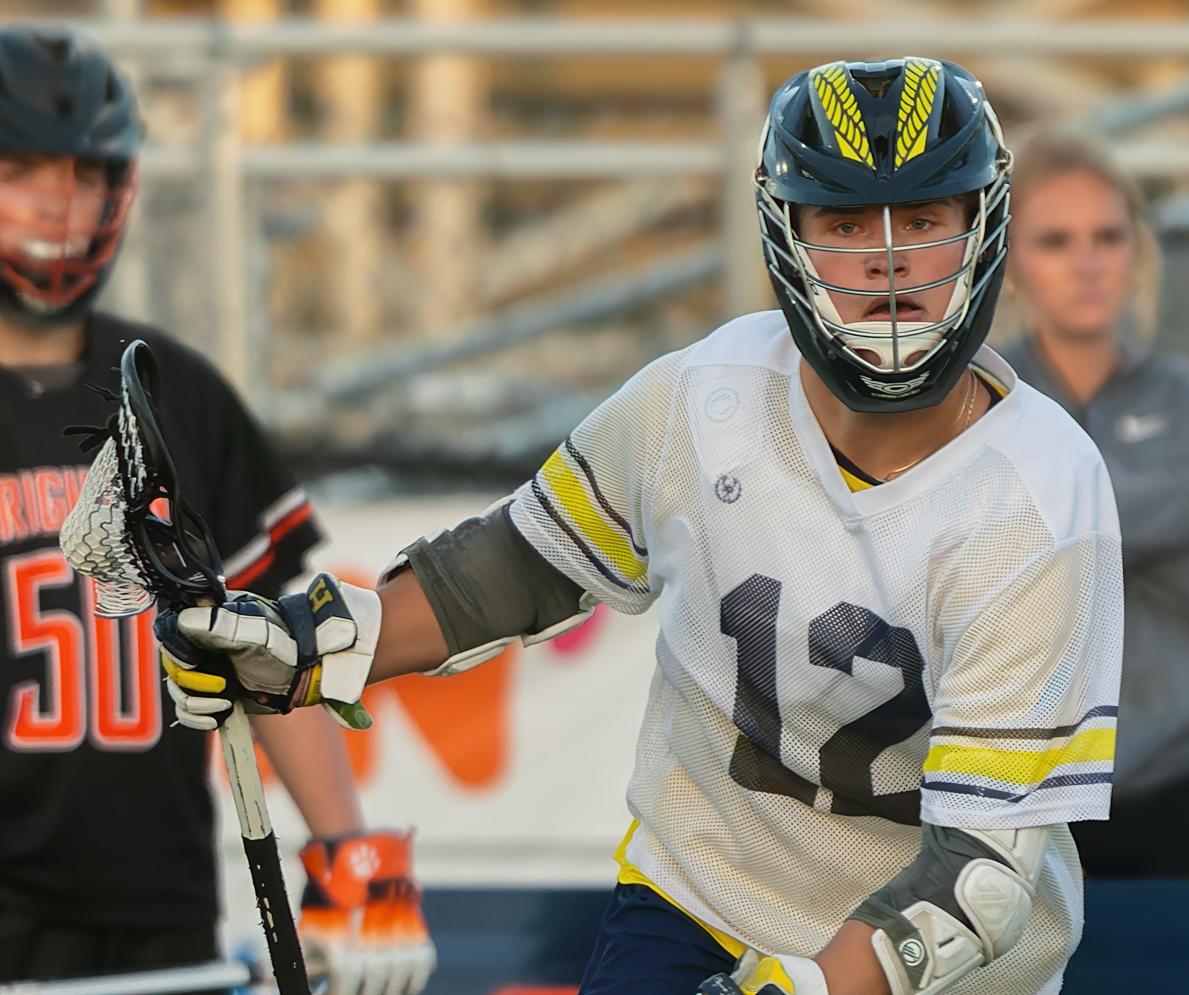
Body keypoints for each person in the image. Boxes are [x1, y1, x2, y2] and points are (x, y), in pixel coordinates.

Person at [162, 58, 1123, 995]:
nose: (888, 260)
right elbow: (521, 564)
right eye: (843, 223)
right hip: (704, 897)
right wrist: (316, 646)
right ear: (787, 236)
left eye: (922, 219)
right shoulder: (699, 402)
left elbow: (980, 880)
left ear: (981, 224)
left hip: (938, 968)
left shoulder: (1041, 500)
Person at [0, 27, 435, 992]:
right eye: (20, 168)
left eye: (84, 172)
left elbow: (267, 642)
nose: (57, 204)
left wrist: (351, 855)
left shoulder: (168, 389)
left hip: (161, 913)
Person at [1001, 129, 1189, 878]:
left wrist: (1063, 528)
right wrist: (1175, 511)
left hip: (1180, 781)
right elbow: (978, 578)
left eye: (1108, 236)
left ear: (1136, 249)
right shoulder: (980, 402)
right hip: (1020, 797)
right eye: (1056, 241)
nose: (1088, 261)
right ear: (1009, 264)